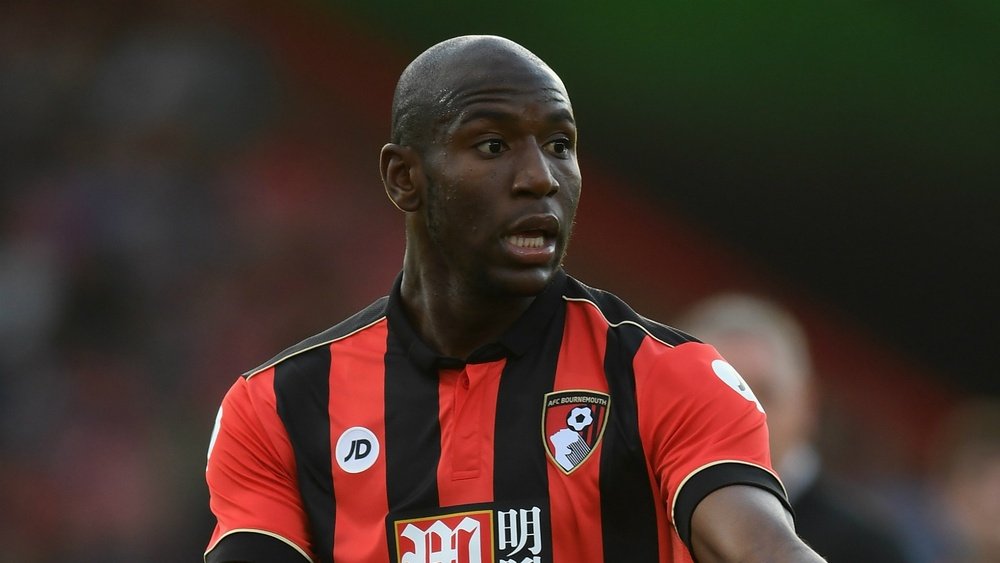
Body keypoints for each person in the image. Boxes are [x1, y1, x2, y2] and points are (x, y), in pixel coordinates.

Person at [203, 35, 825, 562]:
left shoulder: (664, 376)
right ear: (404, 178)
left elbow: (765, 548)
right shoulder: (280, 409)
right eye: (494, 146)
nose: (540, 177)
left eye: (559, 145)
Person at [679, 294, 912, 562]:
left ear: (807, 404)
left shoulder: (869, 549)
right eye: (713, 394)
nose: (739, 414)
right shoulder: (634, 511)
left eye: (761, 393)